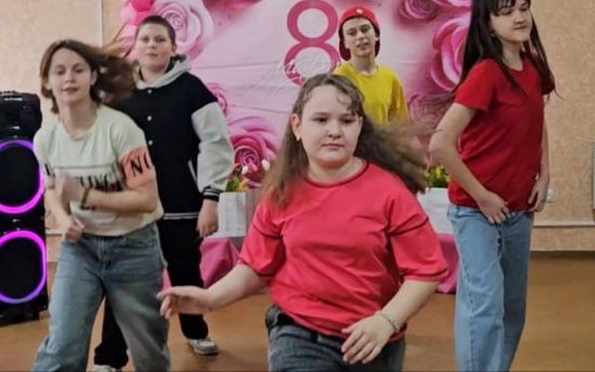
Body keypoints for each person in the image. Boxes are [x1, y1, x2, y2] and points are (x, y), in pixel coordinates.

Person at [158, 73, 448, 371]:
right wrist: (210, 299)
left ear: (360, 126)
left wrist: (386, 321)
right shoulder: (282, 193)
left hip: (370, 339)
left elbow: (425, 272)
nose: (334, 131)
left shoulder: (390, 193)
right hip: (297, 334)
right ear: (297, 126)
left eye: (347, 120)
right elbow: (256, 267)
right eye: (321, 120)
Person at [93, 15, 234, 368]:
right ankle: (110, 356)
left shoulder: (192, 90)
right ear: (136, 46)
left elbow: (215, 144)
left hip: (181, 205)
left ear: (173, 47)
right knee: (122, 282)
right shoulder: (119, 93)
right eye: (145, 39)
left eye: (160, 39)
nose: (152, 45)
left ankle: (196, 331)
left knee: (186, 272)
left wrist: (211, 199)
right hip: (132, 208)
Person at [429, 0, 556, 372]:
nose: (519, 17)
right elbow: (440, 144)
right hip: (476, 212)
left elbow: (537, 120)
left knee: (513, 307)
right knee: (484, 303)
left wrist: (544, 174)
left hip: (518, 209)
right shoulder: (486, 73)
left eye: (523, 8)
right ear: (488, 24)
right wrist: (482, 196)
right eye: (507, 12)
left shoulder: (533, 68)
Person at [30, 39, 169, 371]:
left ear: (92, 77)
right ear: (47, 82)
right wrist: (63, 219)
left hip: (134, 248)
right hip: (81, 251)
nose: (69, 78)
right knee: (61, 346)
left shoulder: (121, 130)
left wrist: (84, 195)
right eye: (59, 71)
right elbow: (52, 189)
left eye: (78, 70)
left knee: (149, 352)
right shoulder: (45, 139)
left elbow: (147, 199)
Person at [333, 6, 409, 124]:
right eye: (352, 33)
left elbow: (402, 125)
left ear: (376, 35)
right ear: (345, 43)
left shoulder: (390, 77)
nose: (360, 36)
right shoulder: (339, 79)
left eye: (365, 29)